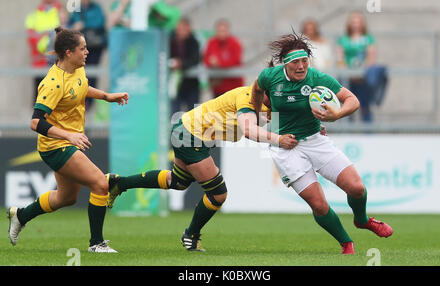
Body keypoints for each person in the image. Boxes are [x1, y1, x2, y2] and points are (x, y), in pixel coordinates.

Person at [105, 85, 299, 251]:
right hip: (192, 133)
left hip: (190, 130)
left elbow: (273, 124)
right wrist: (278, 140)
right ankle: (191, 234)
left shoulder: (267, 105)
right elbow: (250, 131)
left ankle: (119, 183)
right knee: (218, 193)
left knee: (178, 182)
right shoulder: (247, 97)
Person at [251, 32, 393, 255]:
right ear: (285, 64)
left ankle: (362, 220)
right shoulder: (270, 77)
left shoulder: (317, 78)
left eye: (304, 60)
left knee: (357, 188)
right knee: (318, 204)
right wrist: (258, 112)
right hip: (285, 148)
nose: (301, 66)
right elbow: (257, 89)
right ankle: (346, 244)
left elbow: (352, 100)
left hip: (315, 140)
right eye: (295, 62)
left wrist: (337, 115)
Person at [7, 27, 130, 253]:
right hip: (55, 146)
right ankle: (97, 244)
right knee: (100, 184)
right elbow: (35, 122)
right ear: (68, 52)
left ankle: (20, 215)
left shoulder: (77, 69)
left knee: (66, 198)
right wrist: (69, 135)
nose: (87, 52)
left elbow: (80, 89)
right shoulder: (53, 83)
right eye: (82, 48)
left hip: (68, 142)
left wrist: (106, 96)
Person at [337, 11, 376, 122]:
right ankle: (348, 131)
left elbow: (371, 56)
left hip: (363, 78)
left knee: (365, 105)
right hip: (348, 77)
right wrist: (346, 72)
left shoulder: (368, 38)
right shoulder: (344, 39)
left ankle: (368, 133)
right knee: (348, 105)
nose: (356, 24)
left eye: (358, 22)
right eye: (353, 22)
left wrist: (362, 72)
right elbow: (340, 56)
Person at [68, 0, 107, 112]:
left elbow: (99, 22)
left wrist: (83, 24)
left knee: (91, 76)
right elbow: (71, 22)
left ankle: (89, 103)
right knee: (79, 74)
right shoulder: (76, 8)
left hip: (94, 47)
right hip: (79, 47)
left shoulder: (96, 8)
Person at [25, 0, 66, 102]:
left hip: (58, 62)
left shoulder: (62, 12)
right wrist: (46, 44)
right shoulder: (33, 16)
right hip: (39, 61)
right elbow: (31, 38)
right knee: (40, 95)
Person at [203, 19, 244, 98]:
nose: (222, 33)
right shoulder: (212, 42)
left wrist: (219, 63)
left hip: (233, 87)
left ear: (228, 31)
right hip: (218, 88)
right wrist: (211, 62)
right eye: (220, 31)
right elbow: (206, 59)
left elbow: (235, 60)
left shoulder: (235, 43)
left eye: (224, 31)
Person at [168, 18, 200, 114]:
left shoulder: (193, 42)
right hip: (175, 84)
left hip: (191, 84)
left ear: (188, 29)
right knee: (175, 112)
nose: (179, 31)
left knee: (193, 112)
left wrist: (181, 64)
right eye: (178, 28)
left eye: (182, 28)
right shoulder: (171, 41)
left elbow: (195, 59)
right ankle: (176, 129)